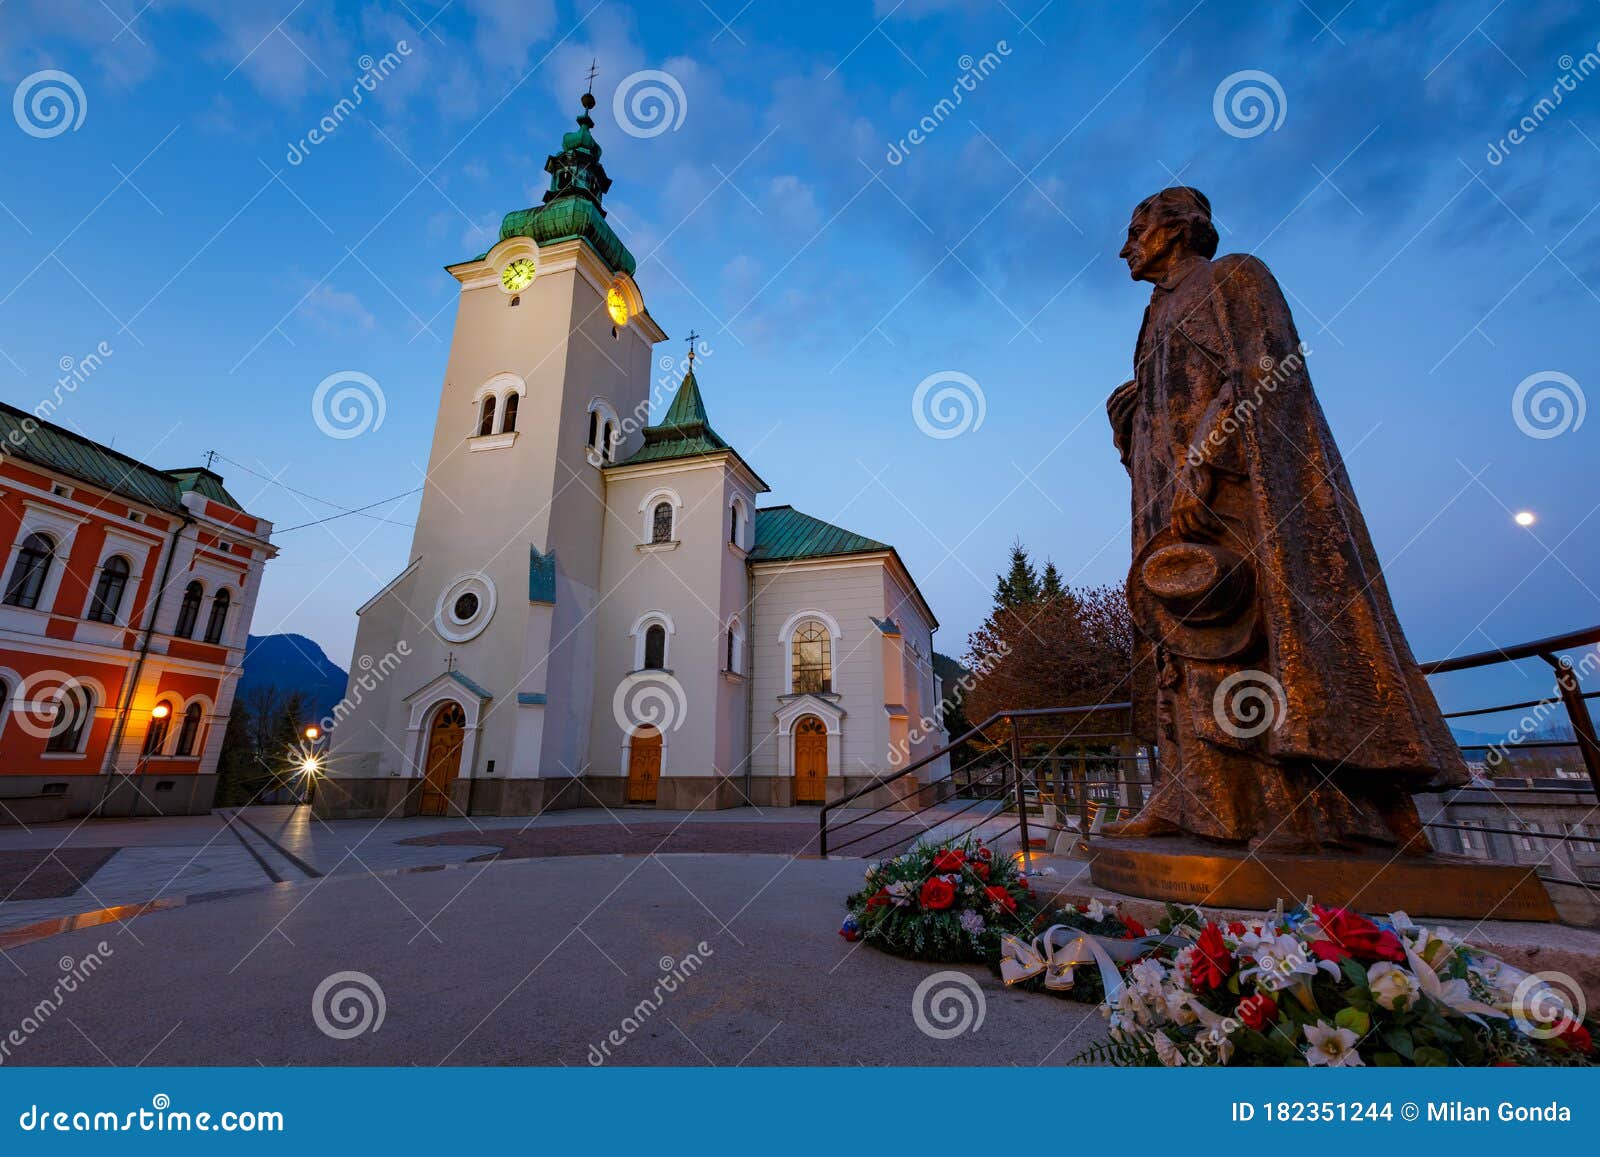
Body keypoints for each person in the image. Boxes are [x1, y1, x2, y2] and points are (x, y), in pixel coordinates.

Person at [1103, 187, 1464, 853]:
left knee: (1261, 629)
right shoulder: (1154, 316)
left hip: (1242, 491)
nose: (1125, 246)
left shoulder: (1234, 276)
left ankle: (1322, 809)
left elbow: (1267, 372)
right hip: (1167, 499)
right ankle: (1193, 798)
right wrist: (1132, 414)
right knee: (1192, 637)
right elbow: (1169, 400)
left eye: (1137, 229)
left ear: (1179, 229)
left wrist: (1208, 456)